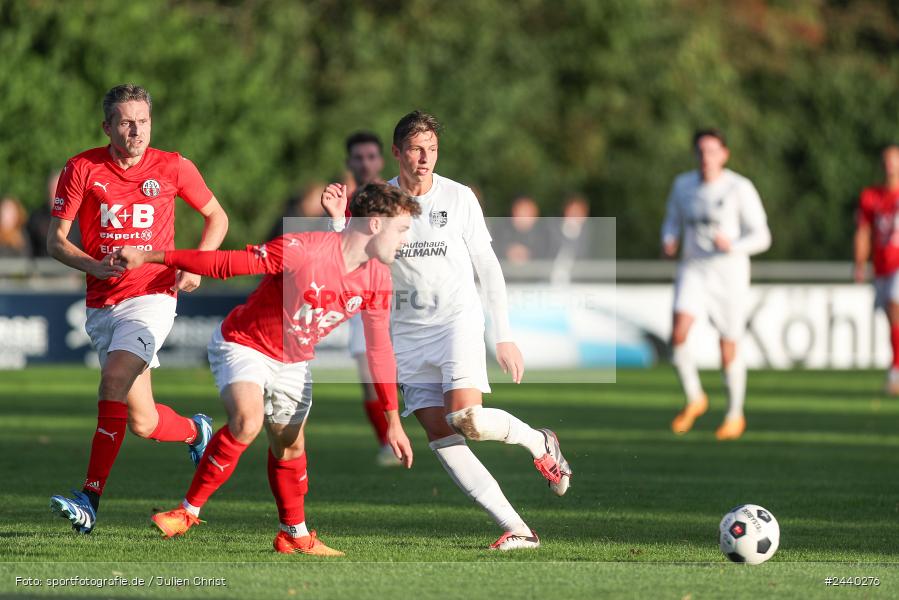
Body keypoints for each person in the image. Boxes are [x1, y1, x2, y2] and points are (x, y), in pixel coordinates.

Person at [115, 182, 417, 556]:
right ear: (374, 225)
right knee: (247, 421)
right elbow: (227, 264)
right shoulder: (302, 249)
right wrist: (151, 256)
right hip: (244, 343)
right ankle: (187, 511)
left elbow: (379, 349)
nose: (406, 240)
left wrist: (392, 420)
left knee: (289, 446)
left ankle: (294, 534)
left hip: (294, 361)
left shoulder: (378, 278)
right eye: (402, 229)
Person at [324, 111, 572, 551]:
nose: (425, 158)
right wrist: (336, 221)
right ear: (397, 152)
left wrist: (504, 335)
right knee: (443, 436)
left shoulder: (459, 197)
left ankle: (540, 442)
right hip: (406, 334)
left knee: (467, 418)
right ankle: (518, 529)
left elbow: (487, 266)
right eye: (416, 149)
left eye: (433, 149)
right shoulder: (377, 201)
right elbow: (350, 256)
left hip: (456, 322)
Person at [47, 84, 229, 533]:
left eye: (143, 121)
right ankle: (196, 430)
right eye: (126, 122)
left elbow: (217, 217)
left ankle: (89, 499)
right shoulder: (82, 168)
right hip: (102, 304)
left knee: (112, 380)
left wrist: (198, 264)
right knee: (143, 422)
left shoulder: (173, 166)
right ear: (107, 127)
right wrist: (93, 265)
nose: (137, 131)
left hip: (152, 298)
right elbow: (56, 241)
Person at [661, 128, 771, 441]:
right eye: (700, 151)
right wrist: (669, 238)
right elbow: (671, 220)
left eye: (712, 151)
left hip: (729, 275)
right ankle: (695, 397)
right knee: (678, 333)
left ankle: (734, 415)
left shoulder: (739, 188)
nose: (705, 157)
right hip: (694, 270)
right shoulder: (683, 185)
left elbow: (763, 236)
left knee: (727, 349)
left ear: (724, 155)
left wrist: (733, 245)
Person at [340, 131, 399, 466]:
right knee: (369, 376)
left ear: (381, 160)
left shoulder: (395, 198)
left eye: (371, 156)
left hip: (400, 295)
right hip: (363, 296)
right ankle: (388, 444)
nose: (365, 163)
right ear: (349, 162)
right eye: (358, 157)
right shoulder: (344, 202)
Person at [854, 143, 899, 394]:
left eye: (894, 160)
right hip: (882, 266)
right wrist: (860, 263)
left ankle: (896, 370)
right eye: (886, 161)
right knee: (892, 319)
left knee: (895, 304)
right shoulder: (871, 196)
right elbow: (863, 232)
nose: (889, 165)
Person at [490, 195, 554, 265]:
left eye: (529, 214)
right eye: (523, 212)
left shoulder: (544, 234)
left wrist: (529, 255)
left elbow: (547, 257)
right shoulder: (499, 230)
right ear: (514, 212)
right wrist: (507, 252)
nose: (525, 217)